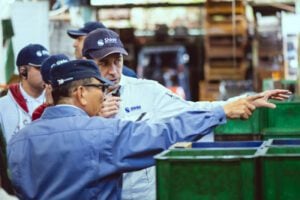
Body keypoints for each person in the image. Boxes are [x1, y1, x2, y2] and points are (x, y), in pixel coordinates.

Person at [82, 28, 291, 200]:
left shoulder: (146, 91)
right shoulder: (75, 97)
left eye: (117, 61)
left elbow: (190, 110)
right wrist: (92, 120)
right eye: (104, 64)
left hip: (138, 195)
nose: (114, 72)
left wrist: (237, 103)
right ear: (86, 62)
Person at [7, 59, 254, 199]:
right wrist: (221, 111)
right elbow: (165, 133)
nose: (105, 95)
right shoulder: (102, 134)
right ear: (81, 93)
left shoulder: (19, 141)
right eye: (100, 89)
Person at [0, 44, 49, 143]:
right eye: (39, 68)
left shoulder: (57, 102)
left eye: (47, 67)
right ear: (23, 71)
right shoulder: (2, 106)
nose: (46, 71)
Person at [67, 21, 137, 78]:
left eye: (79, 39)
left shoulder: (127, 76)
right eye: (103, 63)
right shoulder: (74, 73)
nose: (74, 44)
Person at [32, 54, 70, 120]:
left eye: (69, 77)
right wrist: (51, 109)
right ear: (46, 86)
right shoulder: (39, 113)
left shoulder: (85, 99)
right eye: (59, 81)